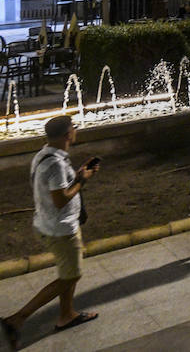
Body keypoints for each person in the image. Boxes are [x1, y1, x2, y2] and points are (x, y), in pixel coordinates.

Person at [3, 115, 99, 347]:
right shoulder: (55, 163)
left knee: (68, 272)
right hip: (60, 229)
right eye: (73, 128)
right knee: (72, 275)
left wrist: (75, 175)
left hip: (50, 224)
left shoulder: (44, 155)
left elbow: (57, 188)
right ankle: (18, 318)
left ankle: (67, 315)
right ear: (68, 135)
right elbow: (60, 199)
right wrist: (82, 180)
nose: (76, 130)